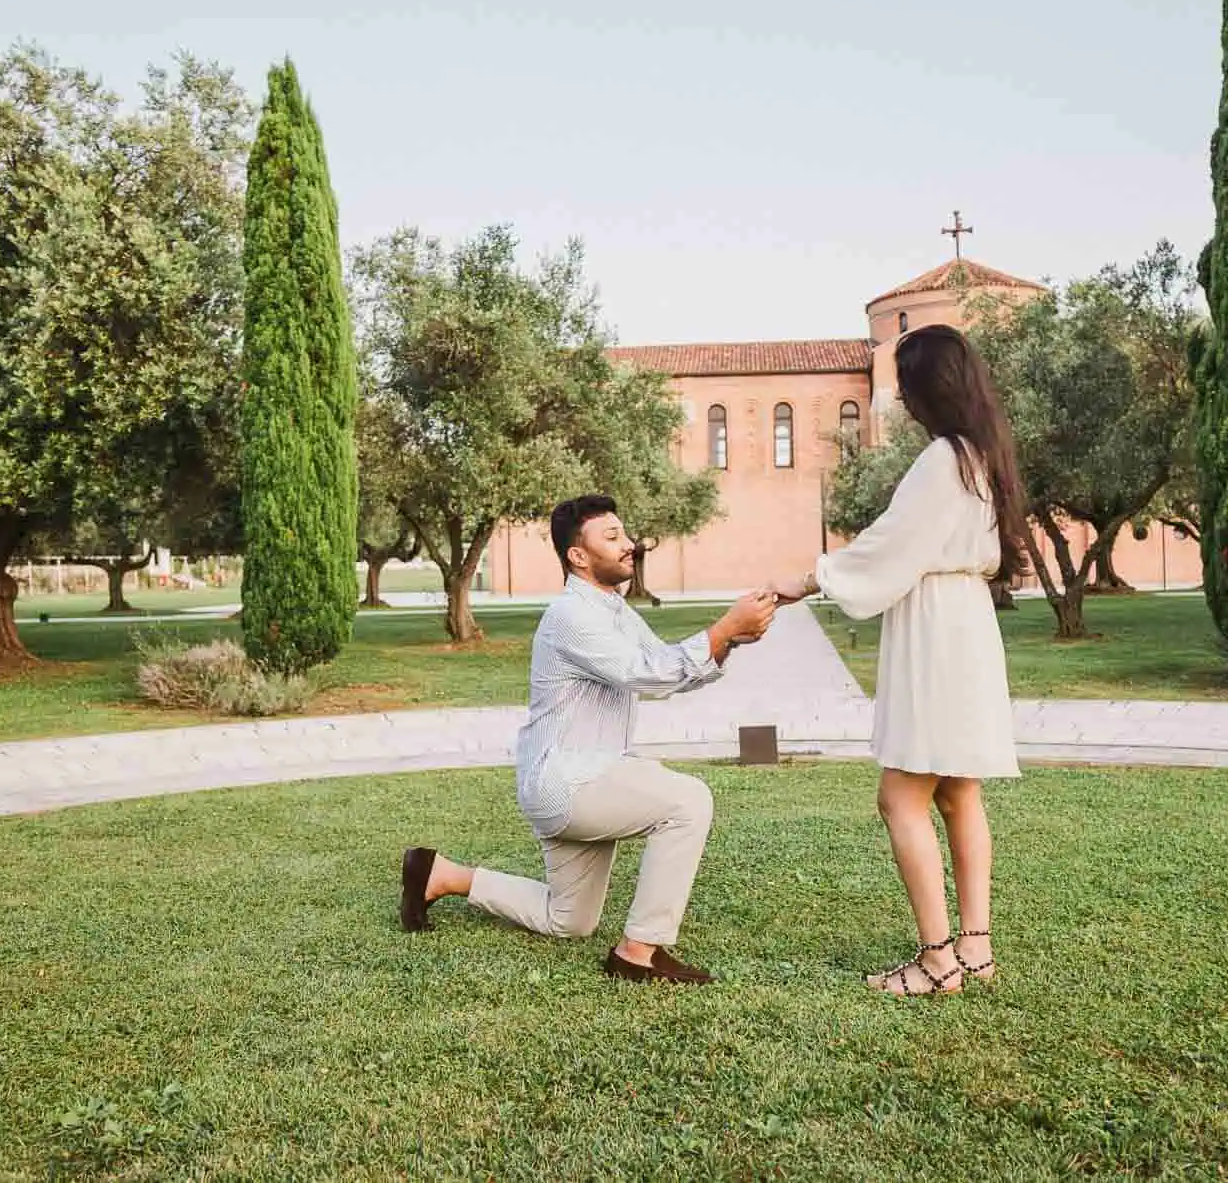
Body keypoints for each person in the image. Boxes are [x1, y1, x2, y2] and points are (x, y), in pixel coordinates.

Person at [399, 494, 779, 985]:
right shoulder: (570, 616)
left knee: (570, 920)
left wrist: (728, 639)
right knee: (688, 801)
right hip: (569, 782)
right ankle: (638, 954)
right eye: (613, 537)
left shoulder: (614, 611)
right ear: (578, 556)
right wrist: (725, 625)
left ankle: (441, 875)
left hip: (579, 779)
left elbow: (668, 673)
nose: (631, 545)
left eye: (626, 534)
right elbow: (650, 673)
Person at [773, 324, 1027, 996]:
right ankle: (976, 949)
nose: (904, 403)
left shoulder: (942, 461)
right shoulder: (984, 455)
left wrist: (809, 577)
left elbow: (890, 544)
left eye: (908, 387)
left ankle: (938, 959)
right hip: (965, 622)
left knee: (901, 796)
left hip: (938, 626)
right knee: (956, 790)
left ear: (928, 390)